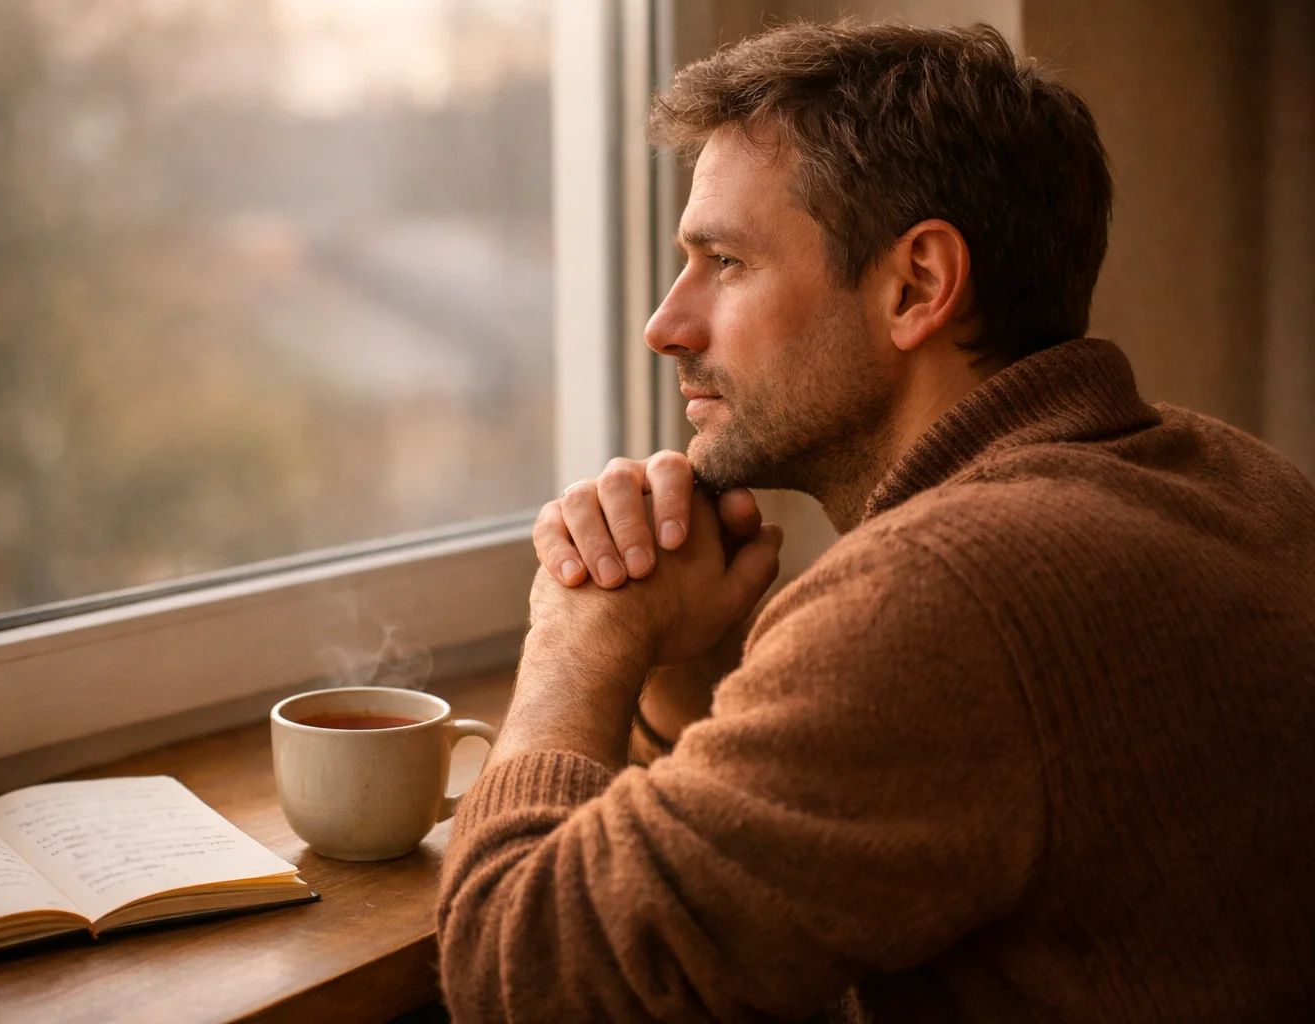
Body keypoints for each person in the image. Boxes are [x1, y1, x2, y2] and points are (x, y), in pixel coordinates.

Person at [435, 20, 1315, 1023]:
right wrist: (684, 677)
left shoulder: (950, 596)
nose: (665, 325)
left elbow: (526, 976)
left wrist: (578, 636)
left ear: (918, 286)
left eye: (724, 261)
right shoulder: (1240, 478)